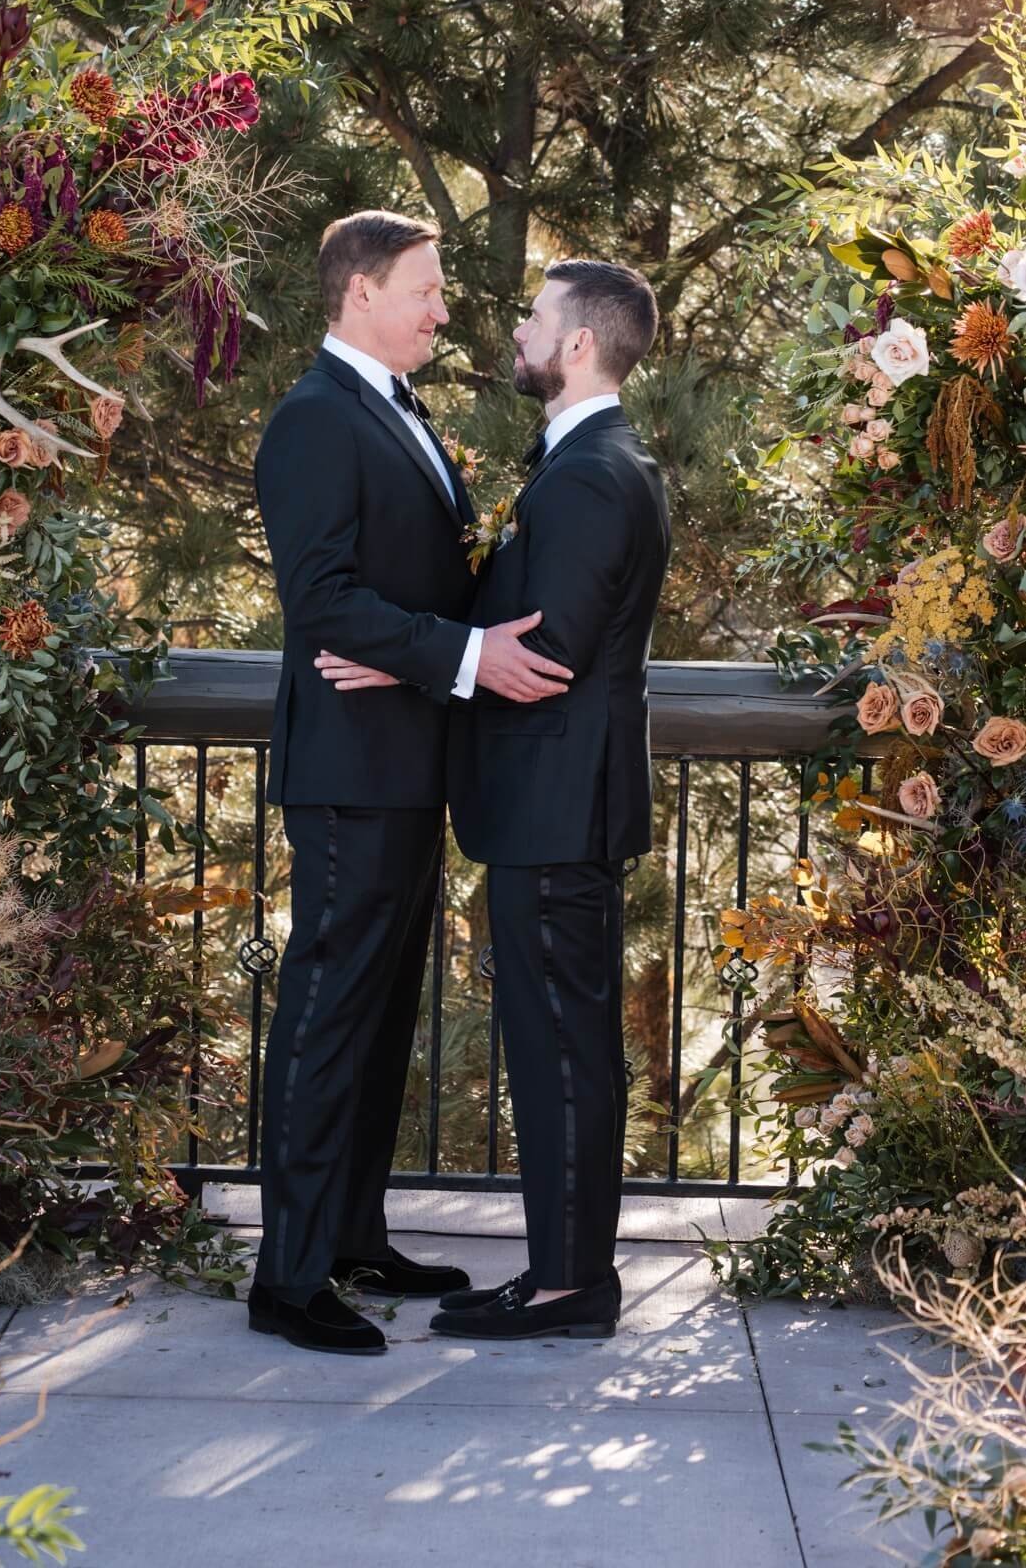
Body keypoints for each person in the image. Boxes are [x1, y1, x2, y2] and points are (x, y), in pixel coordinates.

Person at [319, 258, 670, 1342]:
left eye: (531, 316)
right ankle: (562, 1271)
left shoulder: (592, 475)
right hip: (547, 806)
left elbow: (547, 652)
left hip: (558, 808)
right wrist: (419, 656)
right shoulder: (582, 464)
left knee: (562, 1048)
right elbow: (508, 629)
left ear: (574, 345)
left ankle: (569, 1284)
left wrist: (428, 661)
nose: (513, 329)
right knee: (555, 1039)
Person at [249, 210, 572, 1357]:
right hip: (347, 770)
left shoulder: (394, 411)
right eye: (425, 290)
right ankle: (286, 1279)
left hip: (402, 759)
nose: (444, 310)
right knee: (328, 1015)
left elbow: (404, 585)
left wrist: (422, 638)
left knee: (380, 1016)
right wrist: (462, 656)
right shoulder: (311, 422)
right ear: (360, 295)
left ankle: (350, 1234)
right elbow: (323, 600)